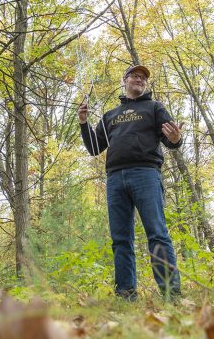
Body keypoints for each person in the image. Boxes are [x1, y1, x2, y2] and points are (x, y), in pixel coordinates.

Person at [77, 65, 183, 301]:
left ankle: (171, 294)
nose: (140, 79)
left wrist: (176, 139)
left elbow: (171, 139)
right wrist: (84, 123)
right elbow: (95, 148)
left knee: (157, 233)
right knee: (121, 239)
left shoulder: (154, 108)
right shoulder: (110, 115)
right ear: (124, 80)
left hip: (145, 173)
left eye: (144, 77)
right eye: (135, 76)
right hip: (115, 179)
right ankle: (125, 295)